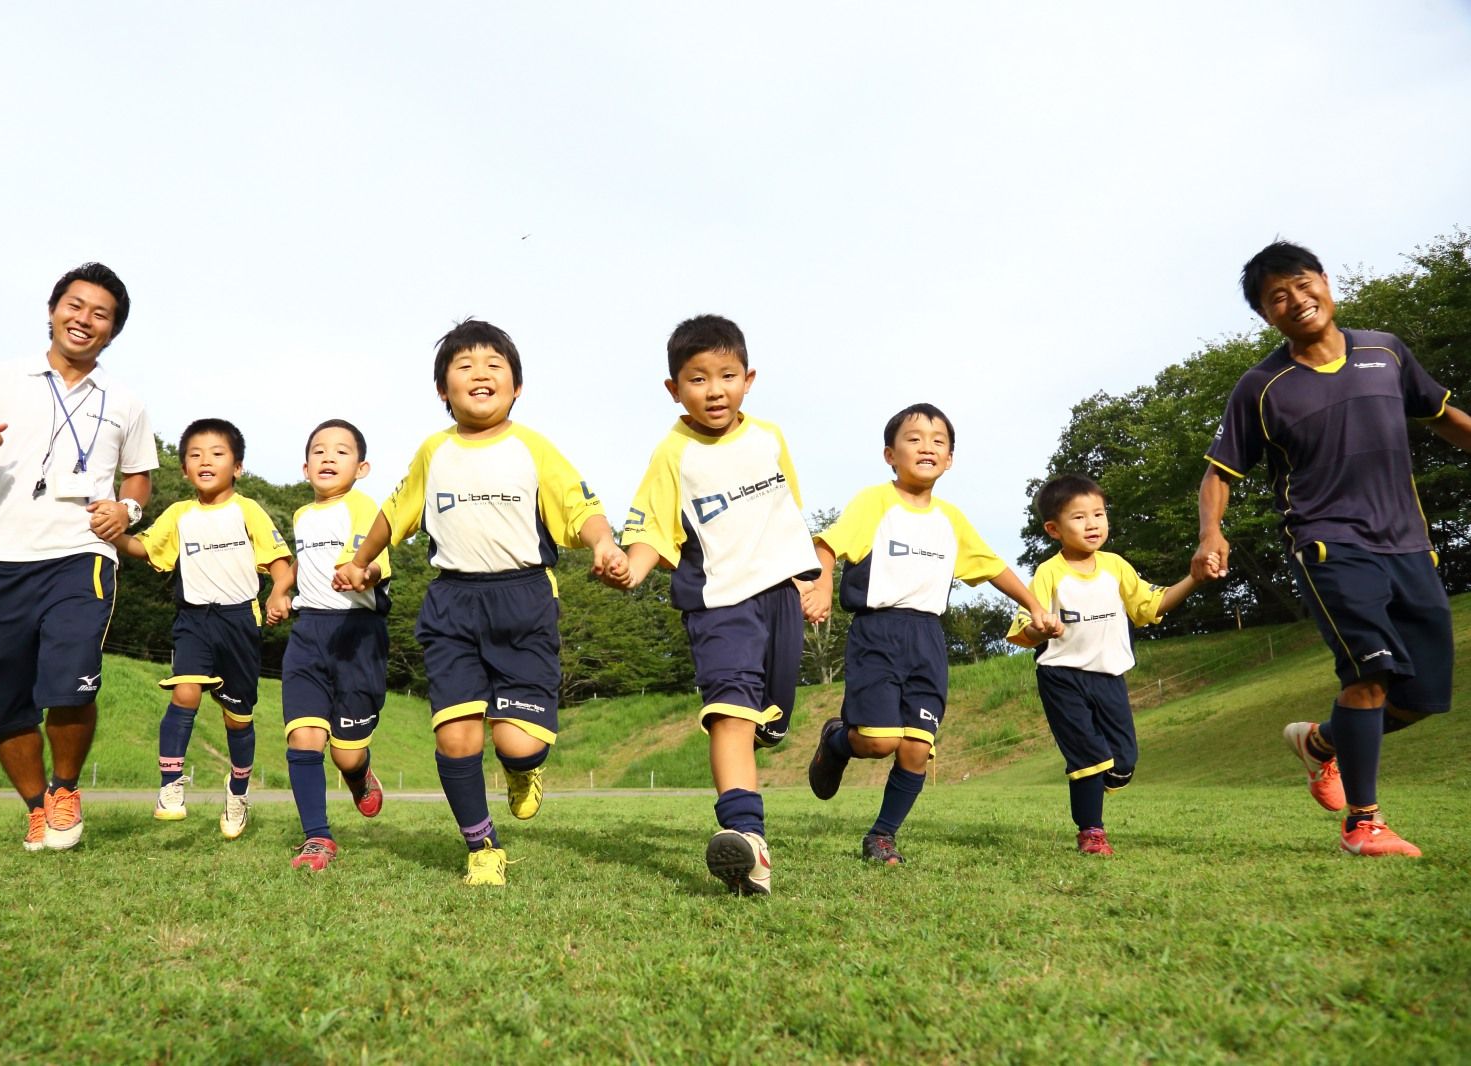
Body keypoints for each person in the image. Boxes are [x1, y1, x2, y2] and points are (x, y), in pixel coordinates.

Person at [1194, 240, 1471, 858]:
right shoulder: (1262, 387)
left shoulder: (1386, 352)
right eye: (1276, 298)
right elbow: (1219, 473)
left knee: (1422, 695)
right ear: (1266, 316)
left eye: (1300, 283)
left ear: (1325, 281)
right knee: (1371, 670)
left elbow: (1444, 414)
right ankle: (1363, 823)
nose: (1295, 300)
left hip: (1409, 545)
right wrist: (1211, 533)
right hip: (1328, 545)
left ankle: (1321, 743)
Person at [337, 320, 626, 887]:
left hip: (524, 599)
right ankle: (482, 847)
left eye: (495, 364)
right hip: (451, 602)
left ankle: (523, 772)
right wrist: (360, 559)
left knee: (517, 745)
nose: (480, 373)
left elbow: (577, 504)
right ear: (442, 390)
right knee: (455, 734)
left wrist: (604, 543)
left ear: (517, 385)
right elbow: (395, 513)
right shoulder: (433, 451)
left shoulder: (532, 446)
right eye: (464, 366)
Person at [0, 262, 158, 851]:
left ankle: (66, 789)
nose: (84, 320)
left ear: (112, 332)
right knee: (2, 698)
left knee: (71, 681)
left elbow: (139, 480)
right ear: (53, 311)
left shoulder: (124, 402)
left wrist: (125, 514)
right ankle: (35, 807)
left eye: (100, 314)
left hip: (82, 554)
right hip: (3, 557)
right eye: (74, 306)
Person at [609, 314, 818, 896]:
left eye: (727, 375)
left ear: (748, 379)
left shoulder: (770, 438)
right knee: (729, 712)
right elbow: (652, 528)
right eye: (698, 379)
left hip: (777, 595)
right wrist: (631, 568)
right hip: (718, 602)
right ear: (674, 390)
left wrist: (807, 580)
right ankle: (747, 842)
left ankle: (777, 750)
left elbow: (787, 514)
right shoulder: (672, 453)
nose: (715, 389)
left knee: (768, 720)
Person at [804, 404, 1061, 864]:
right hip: (877, 633)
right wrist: (822, 584)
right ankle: (837, 740)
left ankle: (882, 836)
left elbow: (993, 567)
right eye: (914, 438)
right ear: (890, 454)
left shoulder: (951, 519)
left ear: (949, 460)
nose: (927, 446)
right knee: (879, 741)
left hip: (927, 638)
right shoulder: (874, 502)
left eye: (938, 440)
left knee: (917, 747)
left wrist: (1036, 606)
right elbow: (827, 544)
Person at [112, 418, 293, 840]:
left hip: (238, 622)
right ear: (183, 470)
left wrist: (278, 595)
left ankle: (238, 791)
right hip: (193, 618)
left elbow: (282, 567)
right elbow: (145, 549)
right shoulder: (179, 514)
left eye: (217, 453)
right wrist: (114, 532)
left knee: (237, 718)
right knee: (185, 690)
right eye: (194, 455)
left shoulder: (247, 510)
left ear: (238, 466)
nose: (205, 461)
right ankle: (170, 787)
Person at [1006, 474, 1205, 855]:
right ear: (1054, 529)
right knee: (1089, 758)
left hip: (1110, 677)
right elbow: (1023, 627)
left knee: (1124, 760)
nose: (1093, 523)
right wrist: (1039, 626)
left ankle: (1101, 782)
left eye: (1098, 514)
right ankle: (1091, 832)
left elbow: (1150, 606)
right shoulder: (1050, 572)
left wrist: (1192, 579)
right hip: (1061, 677)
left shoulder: (1116, 566)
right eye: (1079, 517)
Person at [281, 419, 391, 872]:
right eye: (320, 451)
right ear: (305, 468)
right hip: (308, 633)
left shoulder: (365, 507)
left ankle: (359, 774)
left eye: (342, 451)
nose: (329, 458)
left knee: (346, 751)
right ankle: (317, 838)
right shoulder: (302, 516)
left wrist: (360, 571)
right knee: (304, 737)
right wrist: (279, 592)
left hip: (357, 634)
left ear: (361, 467)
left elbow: (377, 564)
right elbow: (299, 566)